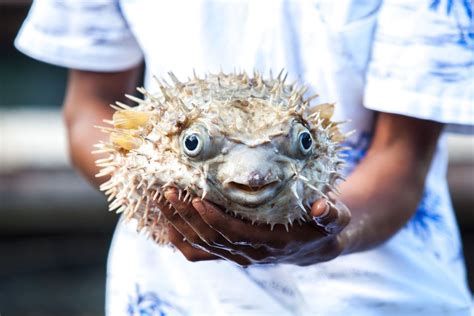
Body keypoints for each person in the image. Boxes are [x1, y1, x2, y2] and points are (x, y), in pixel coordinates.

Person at [16, 0, 473, 315]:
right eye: (195, 146)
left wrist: (332, 234)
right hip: (172, 295)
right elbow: (88, 109)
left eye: (298, 145)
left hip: (384, 295)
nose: (253, 175)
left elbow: (404, 155)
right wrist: (154, 199)